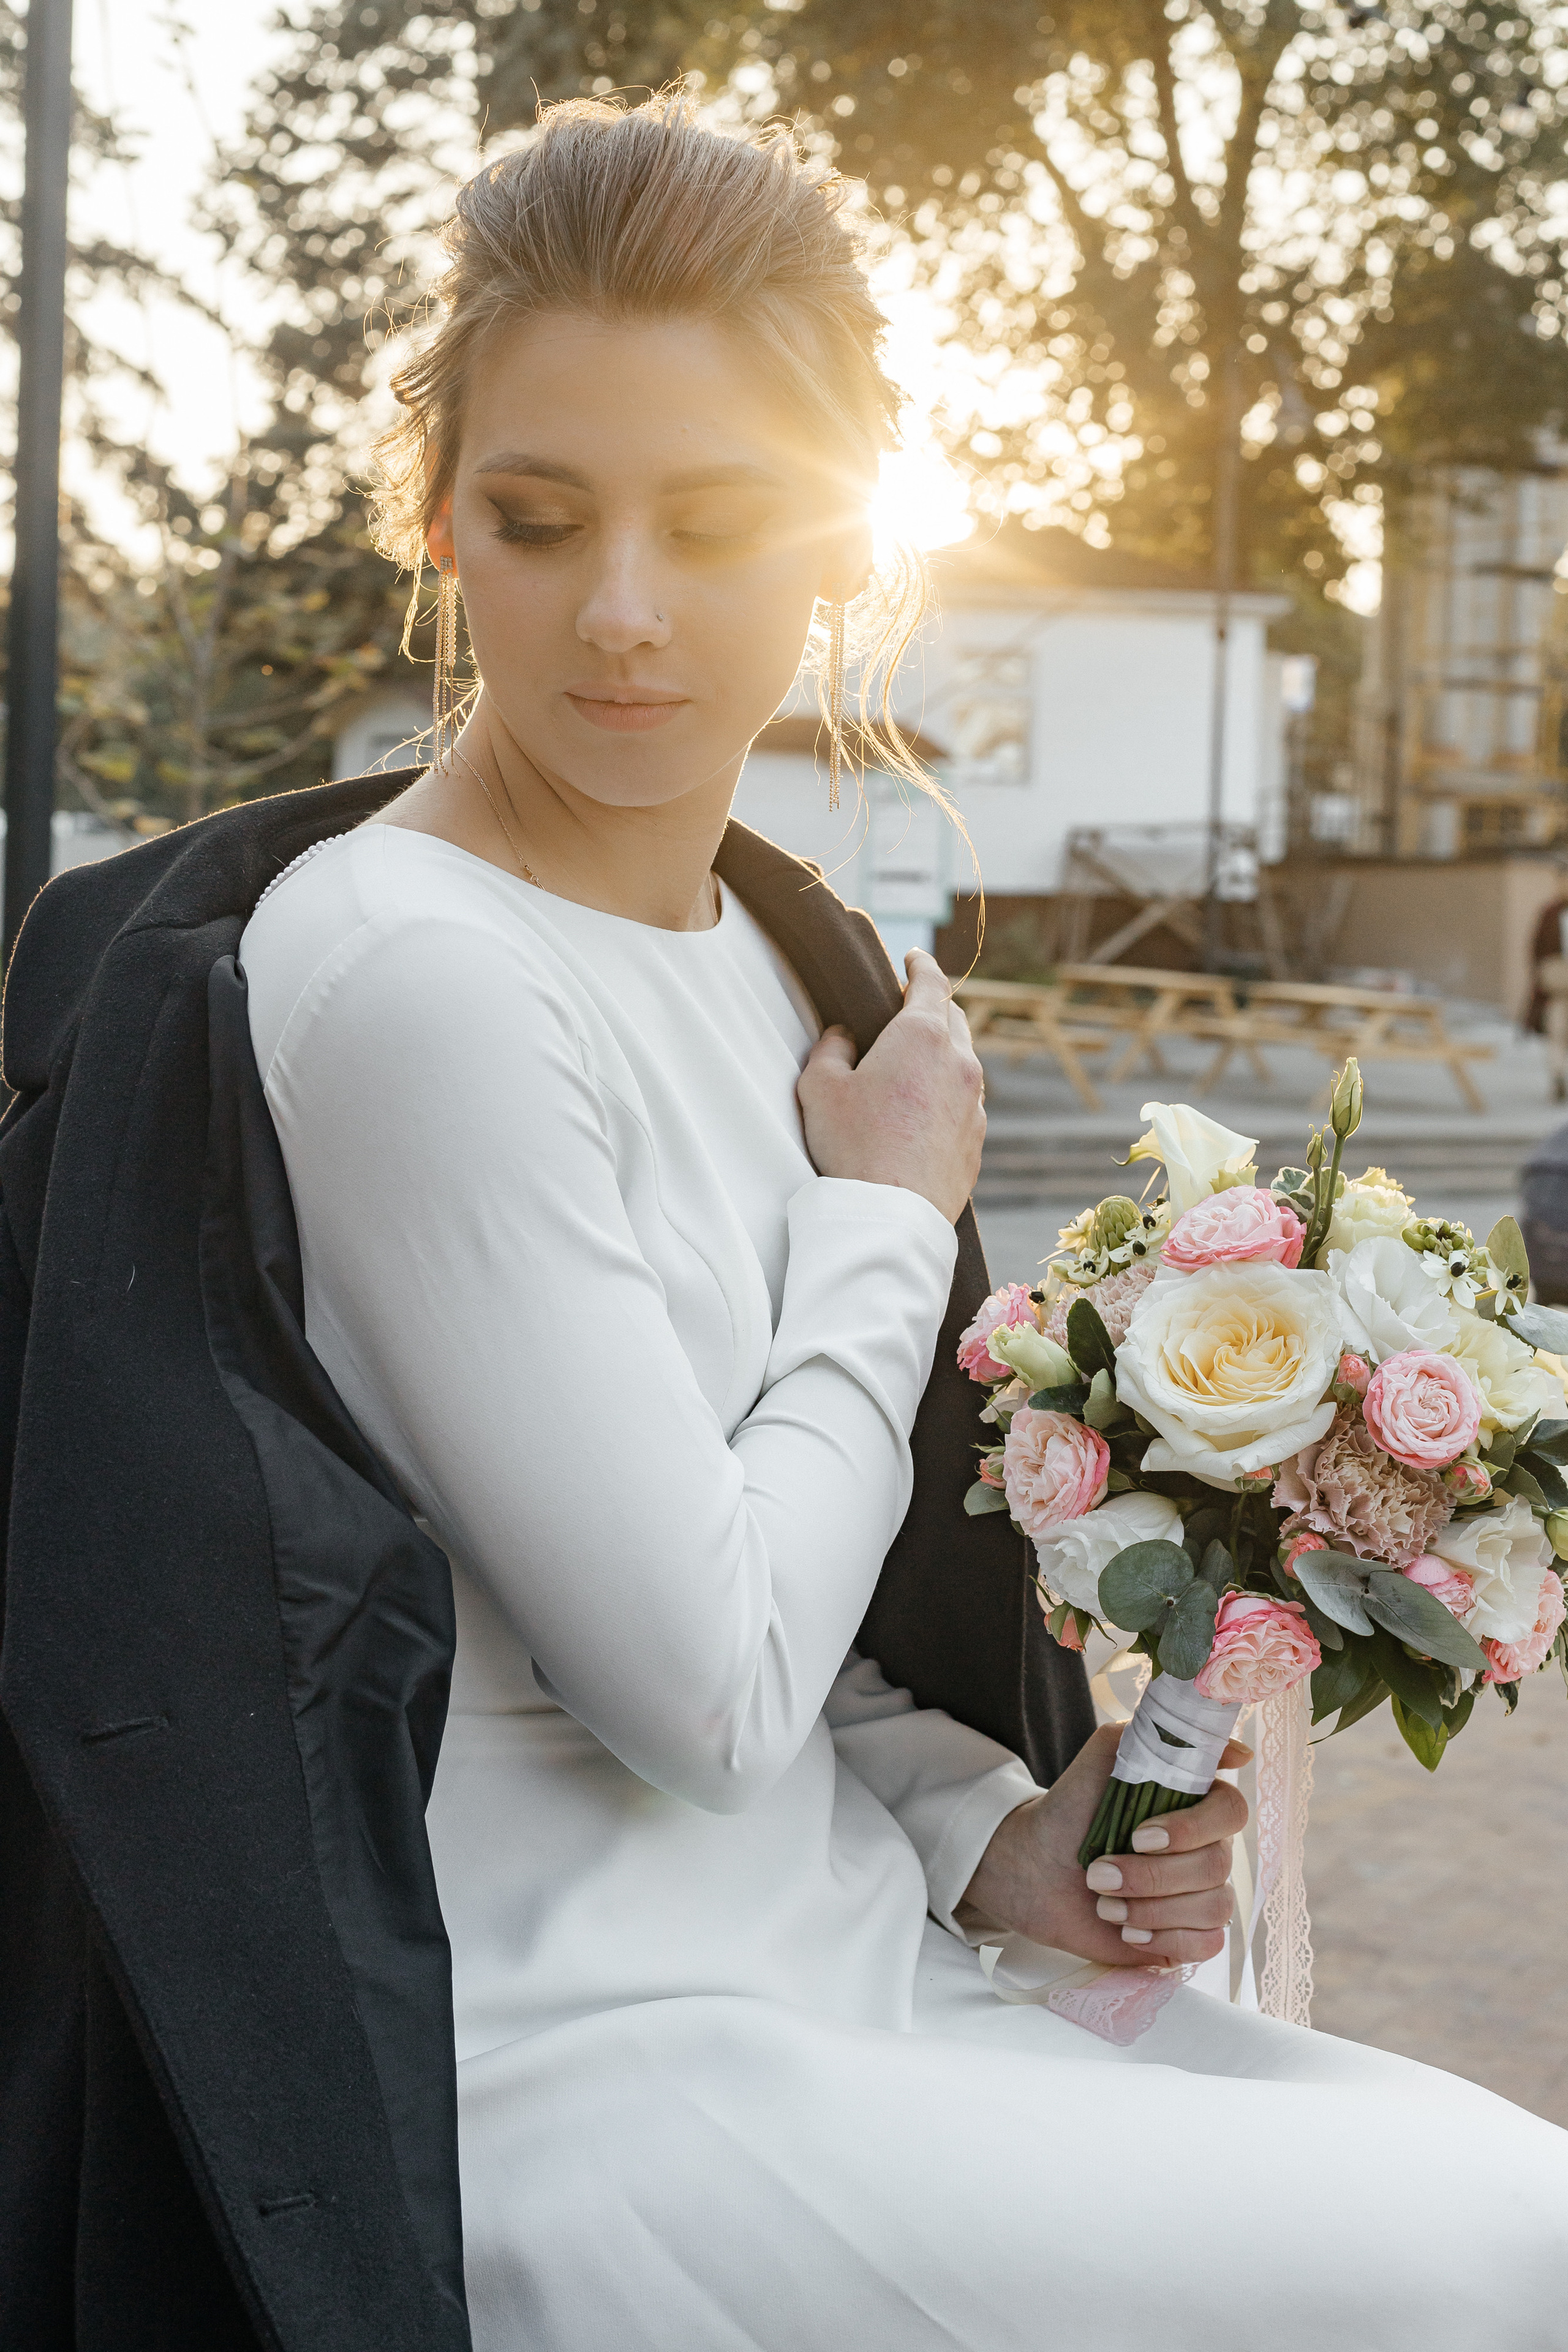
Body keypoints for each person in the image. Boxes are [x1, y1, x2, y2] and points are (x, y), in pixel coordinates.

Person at [3, 94, 1566, 2352]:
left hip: (853, 1962)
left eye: (715, 521)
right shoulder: (418, 978)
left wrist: (979, 1832)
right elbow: (704, 1697)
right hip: (588, 2066)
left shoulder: (770, 957)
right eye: (541, 522)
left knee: (1491, 2207)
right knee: (1497, 2257)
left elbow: (795, 1657)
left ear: (842, 539)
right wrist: (890, 1216)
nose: (625, 612)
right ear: (439, 521)